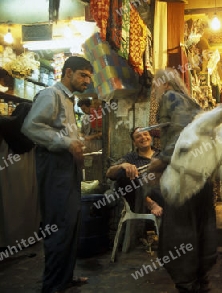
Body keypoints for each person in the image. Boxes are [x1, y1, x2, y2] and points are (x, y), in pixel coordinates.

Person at [21, 56, 93, 293]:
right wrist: (66, 143)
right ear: (68, 72)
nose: (86, 81)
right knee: (59, 225)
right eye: (83, 75)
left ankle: (65, 277)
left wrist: (77, 144)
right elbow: (31, 126)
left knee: (71, 223)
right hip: (54, 167)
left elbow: (63, 134)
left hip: (67, 167)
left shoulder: (70, 101)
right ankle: (53, 285)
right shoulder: (51, 95)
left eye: (89, 77)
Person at [151, 68, 217, 293]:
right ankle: (201, 283)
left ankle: (187, 285)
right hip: (202, 176)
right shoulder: (193, 103)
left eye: (155, 85)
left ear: (164, 83)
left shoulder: (171, 98)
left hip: (183, 177)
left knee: (180, 232)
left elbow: (181, 133)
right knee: (201, 229)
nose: (154, 89)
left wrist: (163, 159)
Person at [0, 103, 39, 252]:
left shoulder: (4, 125)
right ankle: (25, 237)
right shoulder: (33, 128)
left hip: (6, 168)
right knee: (25, 204)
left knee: (8, 205)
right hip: (27, 170)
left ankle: (7, 239)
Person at [105, 126, 163, 217]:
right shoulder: (130, 158)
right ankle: (150, 203)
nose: (143, 137)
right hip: (139, 200)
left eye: (145, 134)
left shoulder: (161, 155)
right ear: (134, 142)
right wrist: (123, 165)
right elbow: (109, 173)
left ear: (150, 137)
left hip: (161, 194)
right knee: (122, 173)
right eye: (138, 136)